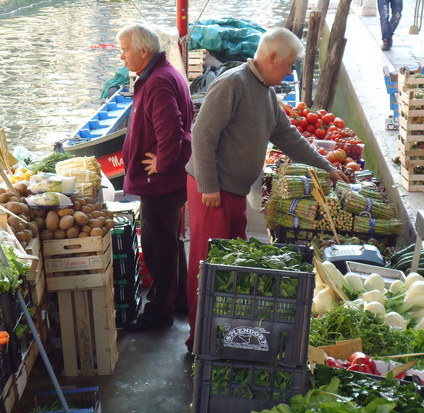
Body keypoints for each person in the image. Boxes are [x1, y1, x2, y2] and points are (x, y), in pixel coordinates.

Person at [184, 27, 349, 353]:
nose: (290, 72)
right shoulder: (232, 84)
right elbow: (202, 134)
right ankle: (199, 340)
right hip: (211, 192)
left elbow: (289, 138)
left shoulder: (266, 94)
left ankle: (223, 332)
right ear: (271, 57)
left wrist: (327, 167)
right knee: (208, 267)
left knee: (233, 264)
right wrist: (208, 185)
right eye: (288, 65)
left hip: (233, 192)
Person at [116, 23, 194, 331]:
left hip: (161, 183)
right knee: (169, 241)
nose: (121, 57)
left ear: (143, 51)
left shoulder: (158, 81)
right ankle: (181, 300)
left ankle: (160, 312)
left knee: (158, 243)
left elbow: (171, 129)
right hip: (168, 182)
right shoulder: (163, 74)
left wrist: (162, 162)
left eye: (124, 50)